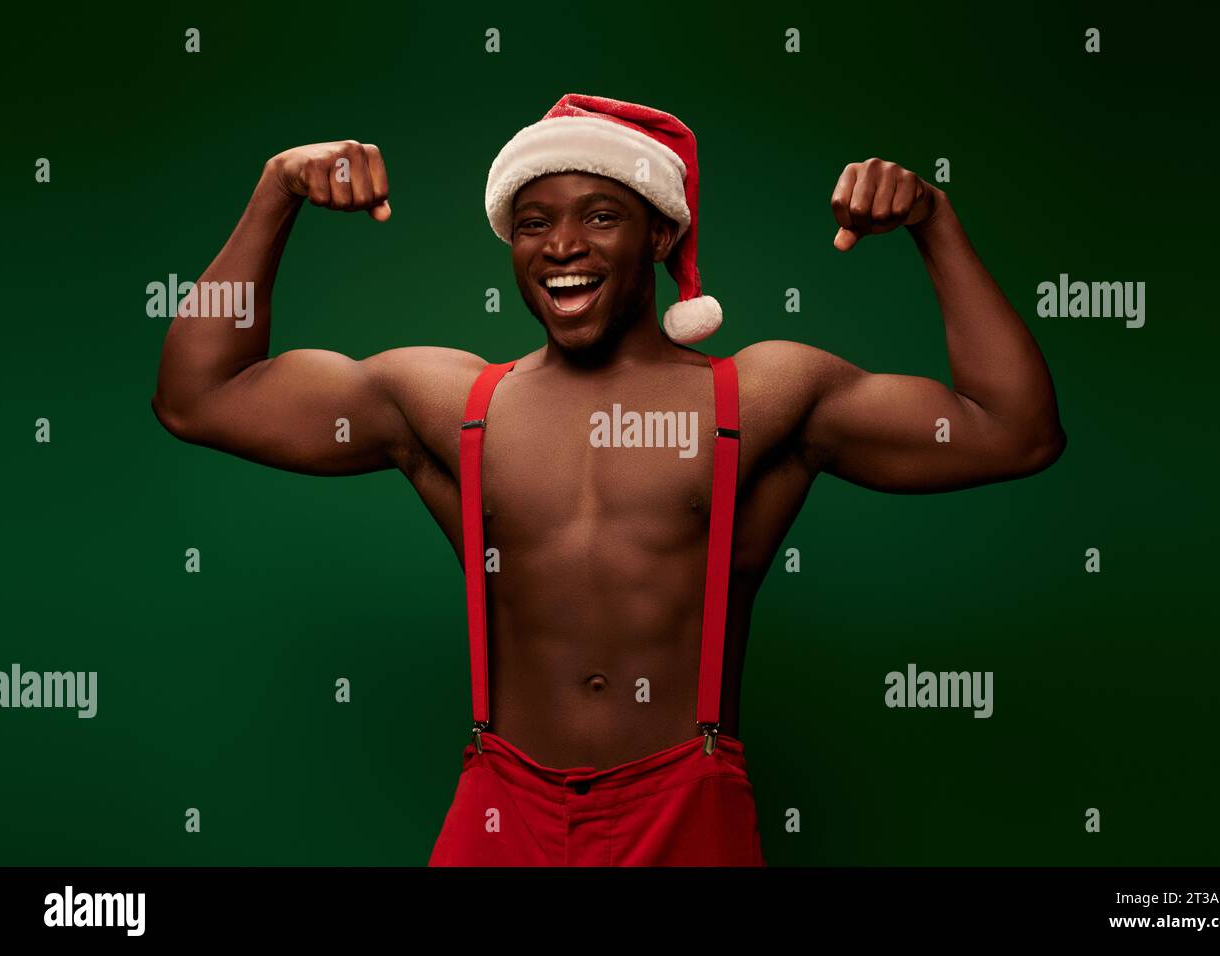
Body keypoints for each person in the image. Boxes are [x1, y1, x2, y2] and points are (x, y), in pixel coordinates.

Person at [152, 93, 1066, 866]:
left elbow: (1013, 433)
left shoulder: (766, 395)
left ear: (661, 232)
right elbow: (201, 397)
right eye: (535, 221)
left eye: (599, 215)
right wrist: (276, 191)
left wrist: (932, 224)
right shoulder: (443, 401)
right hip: (501, 802)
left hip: (685, 801)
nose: (561, 247)